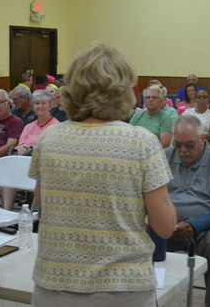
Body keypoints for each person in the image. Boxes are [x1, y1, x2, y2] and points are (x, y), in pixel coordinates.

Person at [29, 42, 176, 307]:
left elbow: (40, 199)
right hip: (121, 289)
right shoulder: (141, 142)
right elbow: (164, 226)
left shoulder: (49, 137)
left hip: (54, 284)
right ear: (123, 90)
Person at [165, 115, 210, 307]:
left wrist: (197, 224)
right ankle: (151, 300)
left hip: (209, 227)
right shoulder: (165, 156)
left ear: (202, 139)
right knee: (141, 240)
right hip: (170, 227)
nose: (182, 151)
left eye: (189, 145)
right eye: (178, 144)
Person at [15, 90, 60, 157]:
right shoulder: (28, 127)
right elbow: (19, 147)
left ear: (50, 105)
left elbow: (54, 149)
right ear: (33, 107)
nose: (40, 106)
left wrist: (30, 147)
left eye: (43, 103)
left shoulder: (57, 126)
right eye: (37, 103)